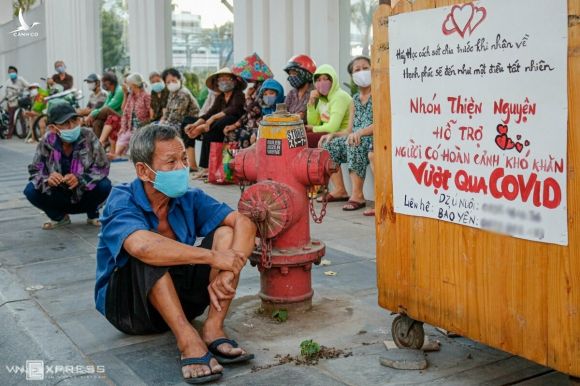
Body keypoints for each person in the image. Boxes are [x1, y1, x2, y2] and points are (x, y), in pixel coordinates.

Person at [95, 124, 256, 384]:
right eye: (171, 162)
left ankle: (213, 328)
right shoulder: (121, 198)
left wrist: (229, 269)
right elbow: (143, 247)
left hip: (182, 302)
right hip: (132, 309)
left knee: (226, 233)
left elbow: (244, 222)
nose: (182, 168)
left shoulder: (189, 198)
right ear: (143, 171)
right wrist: (214, 259)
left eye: (183, 159)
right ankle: (188, 339)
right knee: (148, 250)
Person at [23, 100, 111, 229]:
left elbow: (102, 166)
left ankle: (93, 213)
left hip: (84, 193)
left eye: (74, 120)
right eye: (65, 123)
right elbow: (36, 170)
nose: (72, 126)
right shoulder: (47, 141)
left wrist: (80, 179)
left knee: (105, 185)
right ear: (53, 128)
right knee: (30, 190)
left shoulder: (88, 135)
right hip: (59, 194)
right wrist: (48, 179)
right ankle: (59, 217)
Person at [319, 56, 374, 211]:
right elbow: (349, 129)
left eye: (365, 68)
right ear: (352, 77)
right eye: (357, 70)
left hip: (372, 139)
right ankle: (340, 190)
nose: (362, 72)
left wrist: (360, 133)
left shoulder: (379, 94)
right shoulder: (354, 100)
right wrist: (333, 134)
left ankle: (358, 195)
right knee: (329, 145)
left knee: (354, 143)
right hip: (355, 137)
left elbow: (382, 124)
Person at [184, 68, 245, 180]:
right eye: (221, 79)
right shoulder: (220, 97)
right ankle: (206, 167)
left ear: (234, 81)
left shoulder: (238, 94)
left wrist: (211, 119)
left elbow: (233, 109)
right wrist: (196, 124)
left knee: (220, 122)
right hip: (218, 124)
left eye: (227, 78)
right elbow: (210, 112)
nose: (224, 81)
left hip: (235, 120)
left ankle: (203, 129)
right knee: (208, 134)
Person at [224, 53, 274, 148]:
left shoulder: (264, 88)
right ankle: (230, 162)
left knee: (243, 136)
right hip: (249, 125)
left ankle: (243, 162)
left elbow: (255, 110)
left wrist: (247, 96)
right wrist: (234, 125)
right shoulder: (255, 87)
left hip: (258, 126)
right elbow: (247, 112)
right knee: (230, 133)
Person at [159, 68, 200, 171]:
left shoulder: (183, 93)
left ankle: (168, 161)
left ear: (179, 79)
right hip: (176, 123)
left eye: (173, 80)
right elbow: (168, 112)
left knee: (162, 131)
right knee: (154, 127)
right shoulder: (172, 93)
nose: (171, 83)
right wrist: (161, 122)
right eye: (168, 82)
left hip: (187, 122)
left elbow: (177, 116)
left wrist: (163, 124)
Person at [306, 64, 352, 148]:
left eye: (325, 79)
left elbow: (332, 127)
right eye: (318, 80)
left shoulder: (339, 97)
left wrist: (313, 128)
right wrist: (311, 104)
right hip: (327, 133)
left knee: (302, 140)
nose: (321, 83)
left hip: (341, 135)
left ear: (332, 80)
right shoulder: (322, 99)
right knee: (298, 137)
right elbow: (313, 123)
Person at [108, 73, 151, 160]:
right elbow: (124, 110)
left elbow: (151, 114)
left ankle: (122, 156)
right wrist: (123, 128)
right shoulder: (131, 96)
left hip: (142, 127)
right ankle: (117, 156)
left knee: (134, 147)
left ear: (134, 84)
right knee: (121, 138)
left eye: (128, 84)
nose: (127, 86)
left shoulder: (146, 96)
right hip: (131, 128)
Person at [84, 72, 124, 138]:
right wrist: (91, 114)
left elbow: (108, 107)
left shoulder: (119, 91)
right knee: (97, 123)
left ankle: (83, 122)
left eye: (104, 82)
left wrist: (92, 114)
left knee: (106, 109)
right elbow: (103, 107)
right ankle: (99, 145)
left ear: (109, 82)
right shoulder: (111, 93)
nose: (102, 84)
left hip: (121, 117)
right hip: (111, 116)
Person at [284, 54, 316, 123]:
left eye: (294, 73)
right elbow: (282, 113)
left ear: (306, 74)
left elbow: (306, 117)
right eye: (290, 74)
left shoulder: (314, 93)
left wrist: (298, 116)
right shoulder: (291, 94)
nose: (291, 77)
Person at [4, 66, 29, 139]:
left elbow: (28, 86)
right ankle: (10, 134)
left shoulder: (21, 79)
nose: (11, 73)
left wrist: (23, 92)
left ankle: (24, 133)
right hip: (11, 102)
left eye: (13, 72)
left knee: (22, 118)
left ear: (16, 72)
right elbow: (5, 92)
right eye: (10, 72)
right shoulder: (8, 81)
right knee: (10, 119)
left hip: (20, 102)